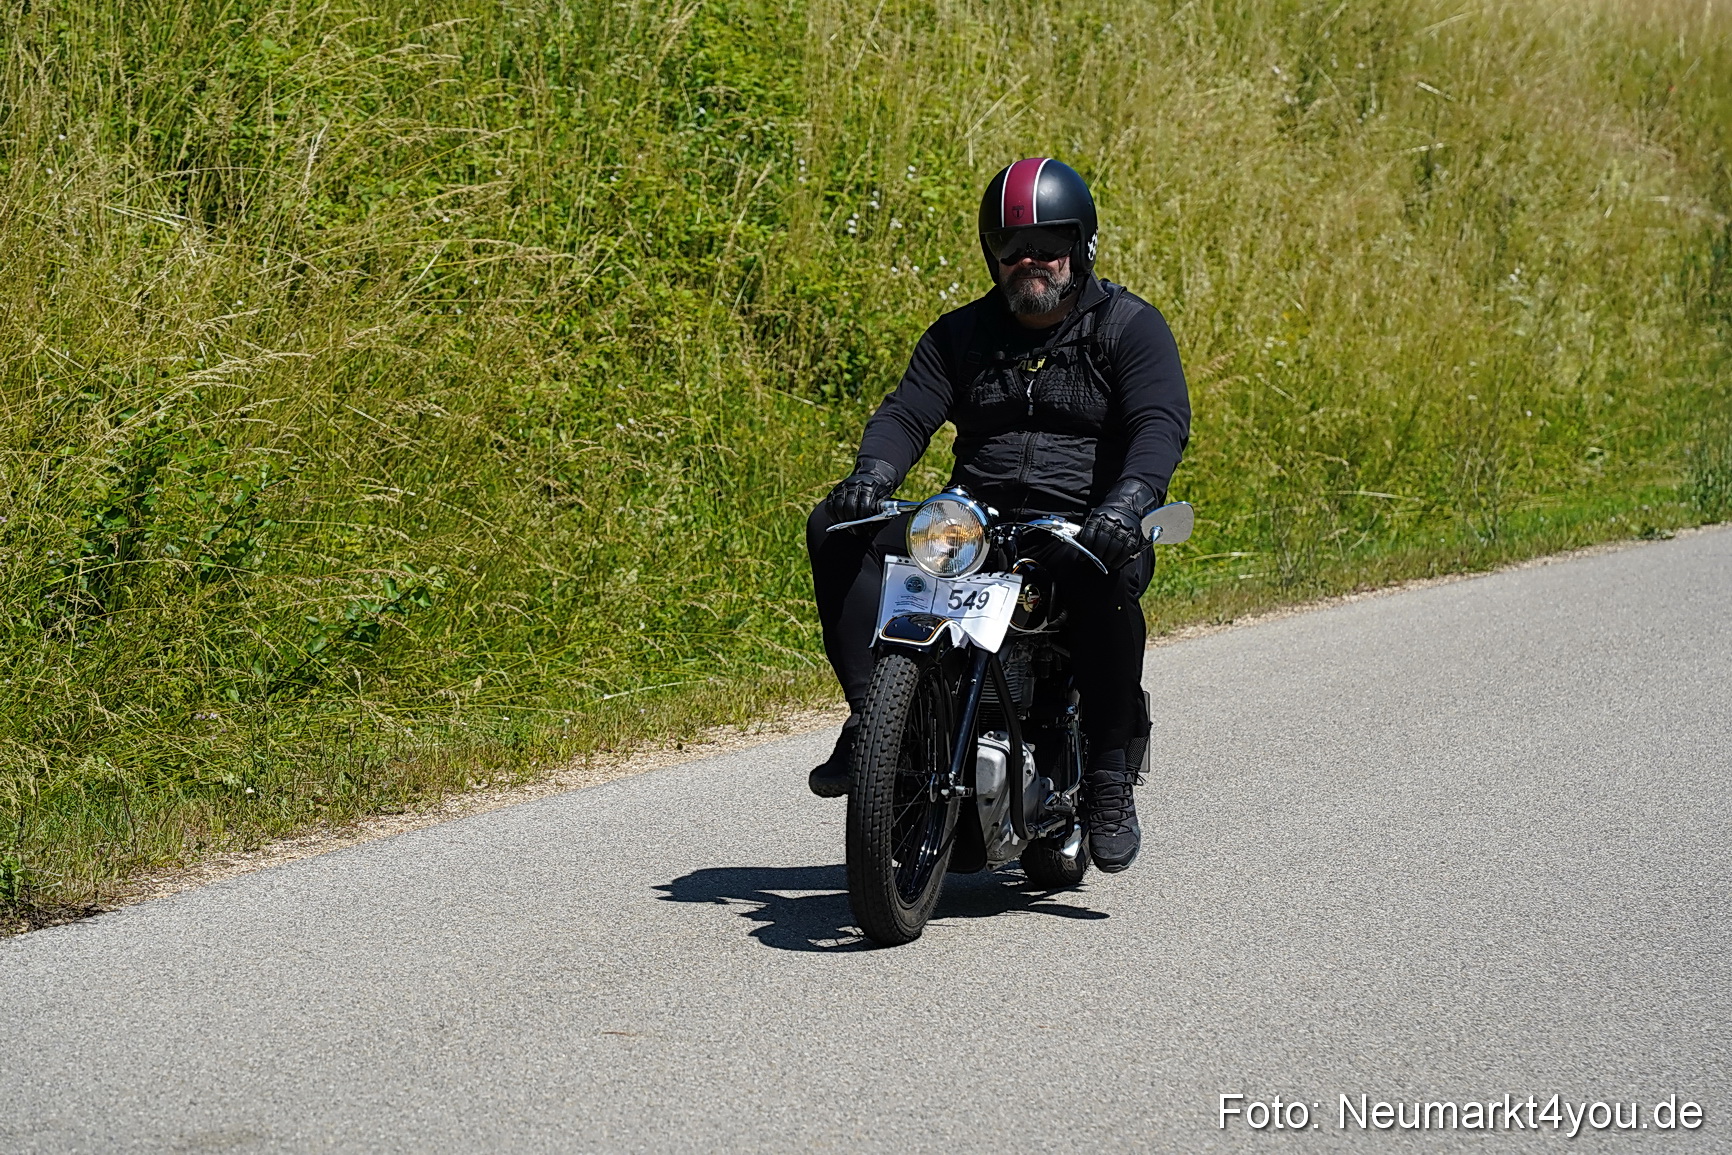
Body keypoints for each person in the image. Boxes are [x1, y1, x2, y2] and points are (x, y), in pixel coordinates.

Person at [805, 158, 1190, 873]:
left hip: (1080, 526)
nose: (1030, 262)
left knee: (1106, 581)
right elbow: (906, 414)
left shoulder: (1130, 329)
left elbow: (1160, 426)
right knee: (835, 526)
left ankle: (1107, 778)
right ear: (993, 255)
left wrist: (1129, 503)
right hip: (972, 527)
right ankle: (872, 722)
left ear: (1081, 248)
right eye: (1012, 249)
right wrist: (872, 474)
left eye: (1047, 246)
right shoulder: (961, 335)